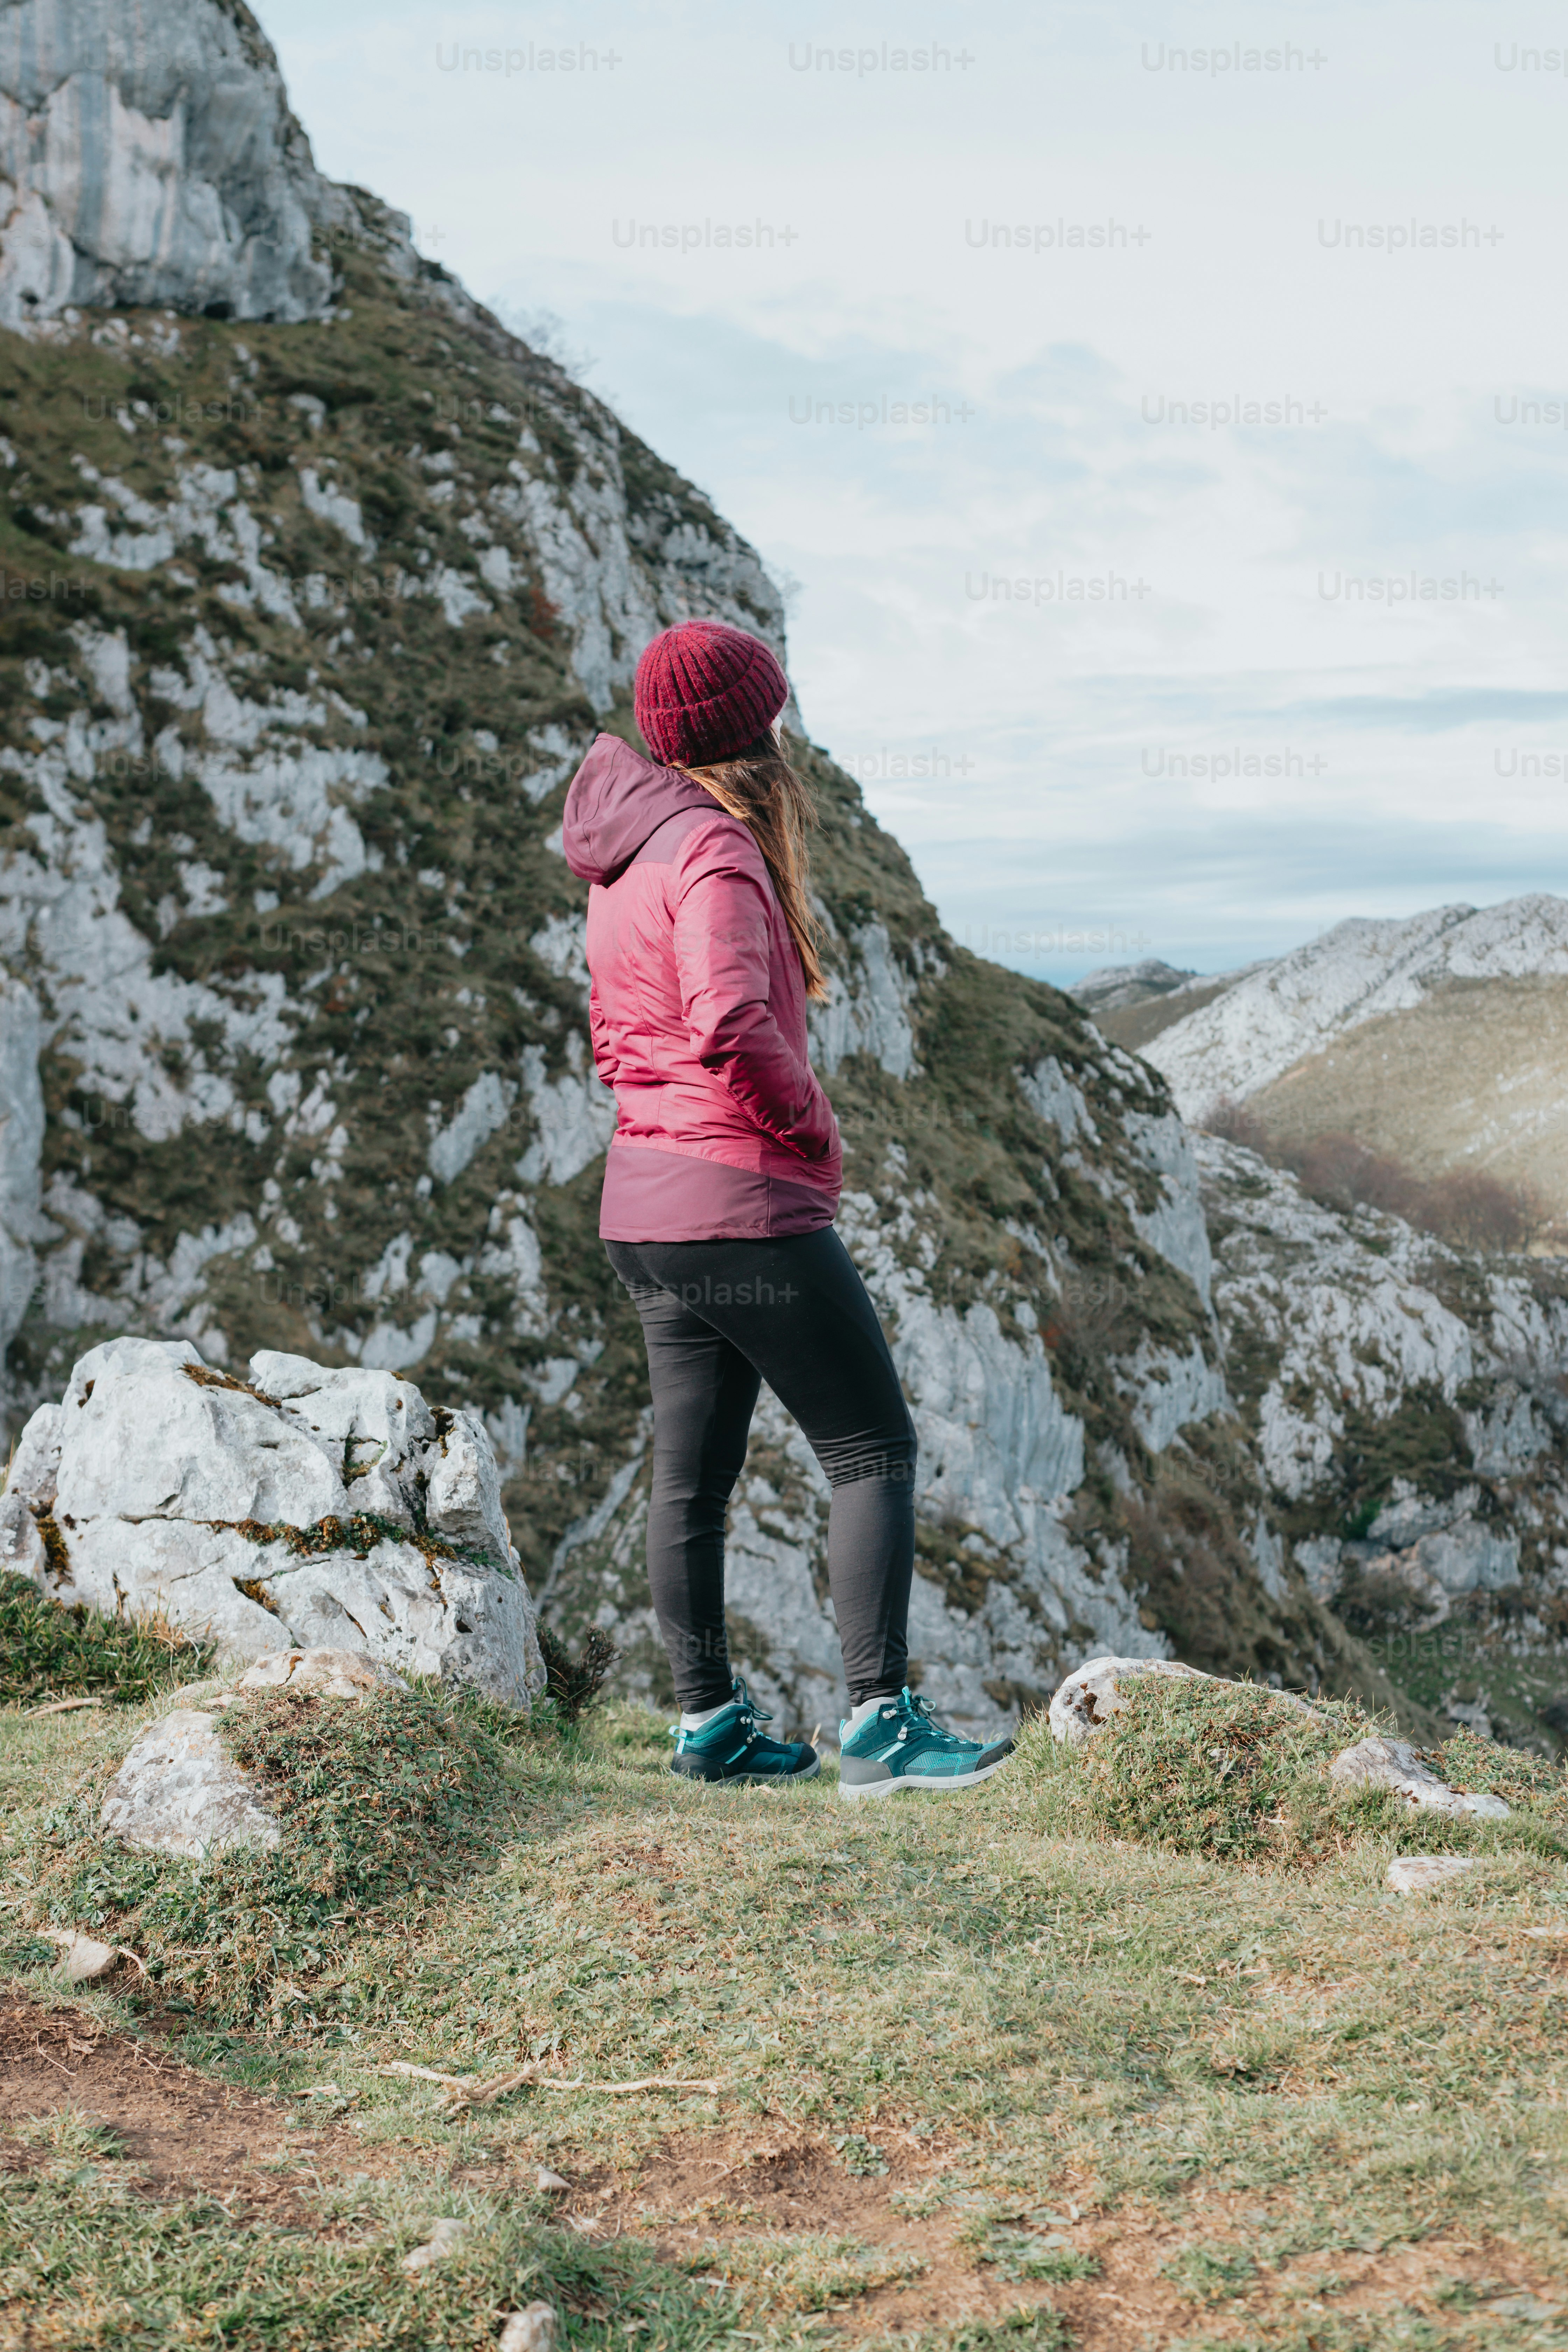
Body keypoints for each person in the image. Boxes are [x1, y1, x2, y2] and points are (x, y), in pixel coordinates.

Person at [561, 618, 1014, 1803]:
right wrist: (812, 1127)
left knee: (690, 1483)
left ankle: (709, 1725)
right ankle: (881, 1727)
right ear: (751, 729)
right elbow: (727, 1021)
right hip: (736, 1199)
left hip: (644, 1206)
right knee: (872, 1449)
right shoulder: (714, 849)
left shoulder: (624, 855)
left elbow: (634, 1031)